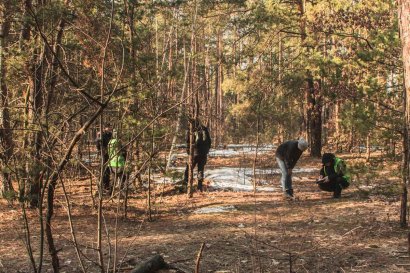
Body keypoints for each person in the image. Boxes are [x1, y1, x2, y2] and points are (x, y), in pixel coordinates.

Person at [183, 119, 212, 192]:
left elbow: (187, 140)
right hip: (203, 153)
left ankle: (186, 185)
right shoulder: (204, 128)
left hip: (194, 153)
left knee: (189, 169)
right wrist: (206, 150)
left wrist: (189, 151)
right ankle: (199, 186)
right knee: (200, 170)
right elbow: (209, 141)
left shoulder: (191, 129)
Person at [108, 129, 128, 195]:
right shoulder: (118, 141)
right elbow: (119, 151)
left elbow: (109, 152)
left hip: (111, 162)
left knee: (113, 178)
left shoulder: (110, 141)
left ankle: (110, 192)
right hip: (119, 162)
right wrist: (124, 151)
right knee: (122, 177)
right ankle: (121, 192)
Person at [95, 125, 112, 192]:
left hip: (109, 154)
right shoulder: (101, 135)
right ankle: (102, 186)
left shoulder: (109, 134)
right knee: (103, 170)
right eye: (108, 127)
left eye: (110, 127)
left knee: (107, 170)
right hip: (103, 155)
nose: (110, 128)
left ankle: (106, 185)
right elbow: (97, 144)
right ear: (104, 128)